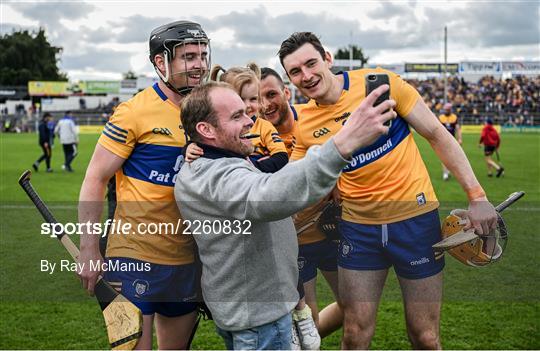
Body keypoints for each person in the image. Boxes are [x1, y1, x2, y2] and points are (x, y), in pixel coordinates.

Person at [278, 32, 498, 349]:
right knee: (354, 333)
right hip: (357, 230)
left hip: (415, 222)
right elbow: (294, 180)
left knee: (425, 336)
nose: (307, 76)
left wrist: (477, 197)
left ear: (327, 58)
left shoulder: (382, 84)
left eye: (311, 63)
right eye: (295, 71)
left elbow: (436, 133)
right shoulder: (307, 123)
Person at [175, 80, 395, 350]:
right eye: (236, 116)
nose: (250, 121)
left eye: (246, 111)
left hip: (252, 312)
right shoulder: (215, 175)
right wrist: (342, 144)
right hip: (259, 320)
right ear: (205, 129)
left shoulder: (217, 161)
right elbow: (267, 195)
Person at [77, 20, 210, 349]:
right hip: (133, 255)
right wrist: (90, 248)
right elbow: (95, 178)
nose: (199, 65)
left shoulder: (209, 110)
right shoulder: (132, 113)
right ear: (160, 62)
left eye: (203, 55)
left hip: (185, 259)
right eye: (188, 57)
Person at [259, 67, 343, 341]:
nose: (264, 104)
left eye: (271, 94)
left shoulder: (312, 119)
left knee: (355, 307)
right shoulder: (253, 136)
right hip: (292, 243)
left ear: (286, 92)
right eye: (257, 98)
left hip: (331, 232)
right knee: (308, 320)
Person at [187, 63, 288, 173]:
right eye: (240, 99)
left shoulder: (264, 127)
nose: (247, 105)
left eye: (253, 99)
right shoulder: (219, 126)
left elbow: (281, 157)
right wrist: (189, 148)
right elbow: (206, 145)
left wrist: (254, 167)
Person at [438, 102, 462, 180]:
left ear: (450, 110)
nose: (446, 111)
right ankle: (445, 173)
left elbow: (458, 128)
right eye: (445, 109)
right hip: (442, 140)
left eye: (448, 110)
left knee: (452, 157)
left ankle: (448, 171)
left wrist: (459, 138)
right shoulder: (441, 117)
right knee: (443, 157)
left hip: (452, 140)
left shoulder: (454, 117)